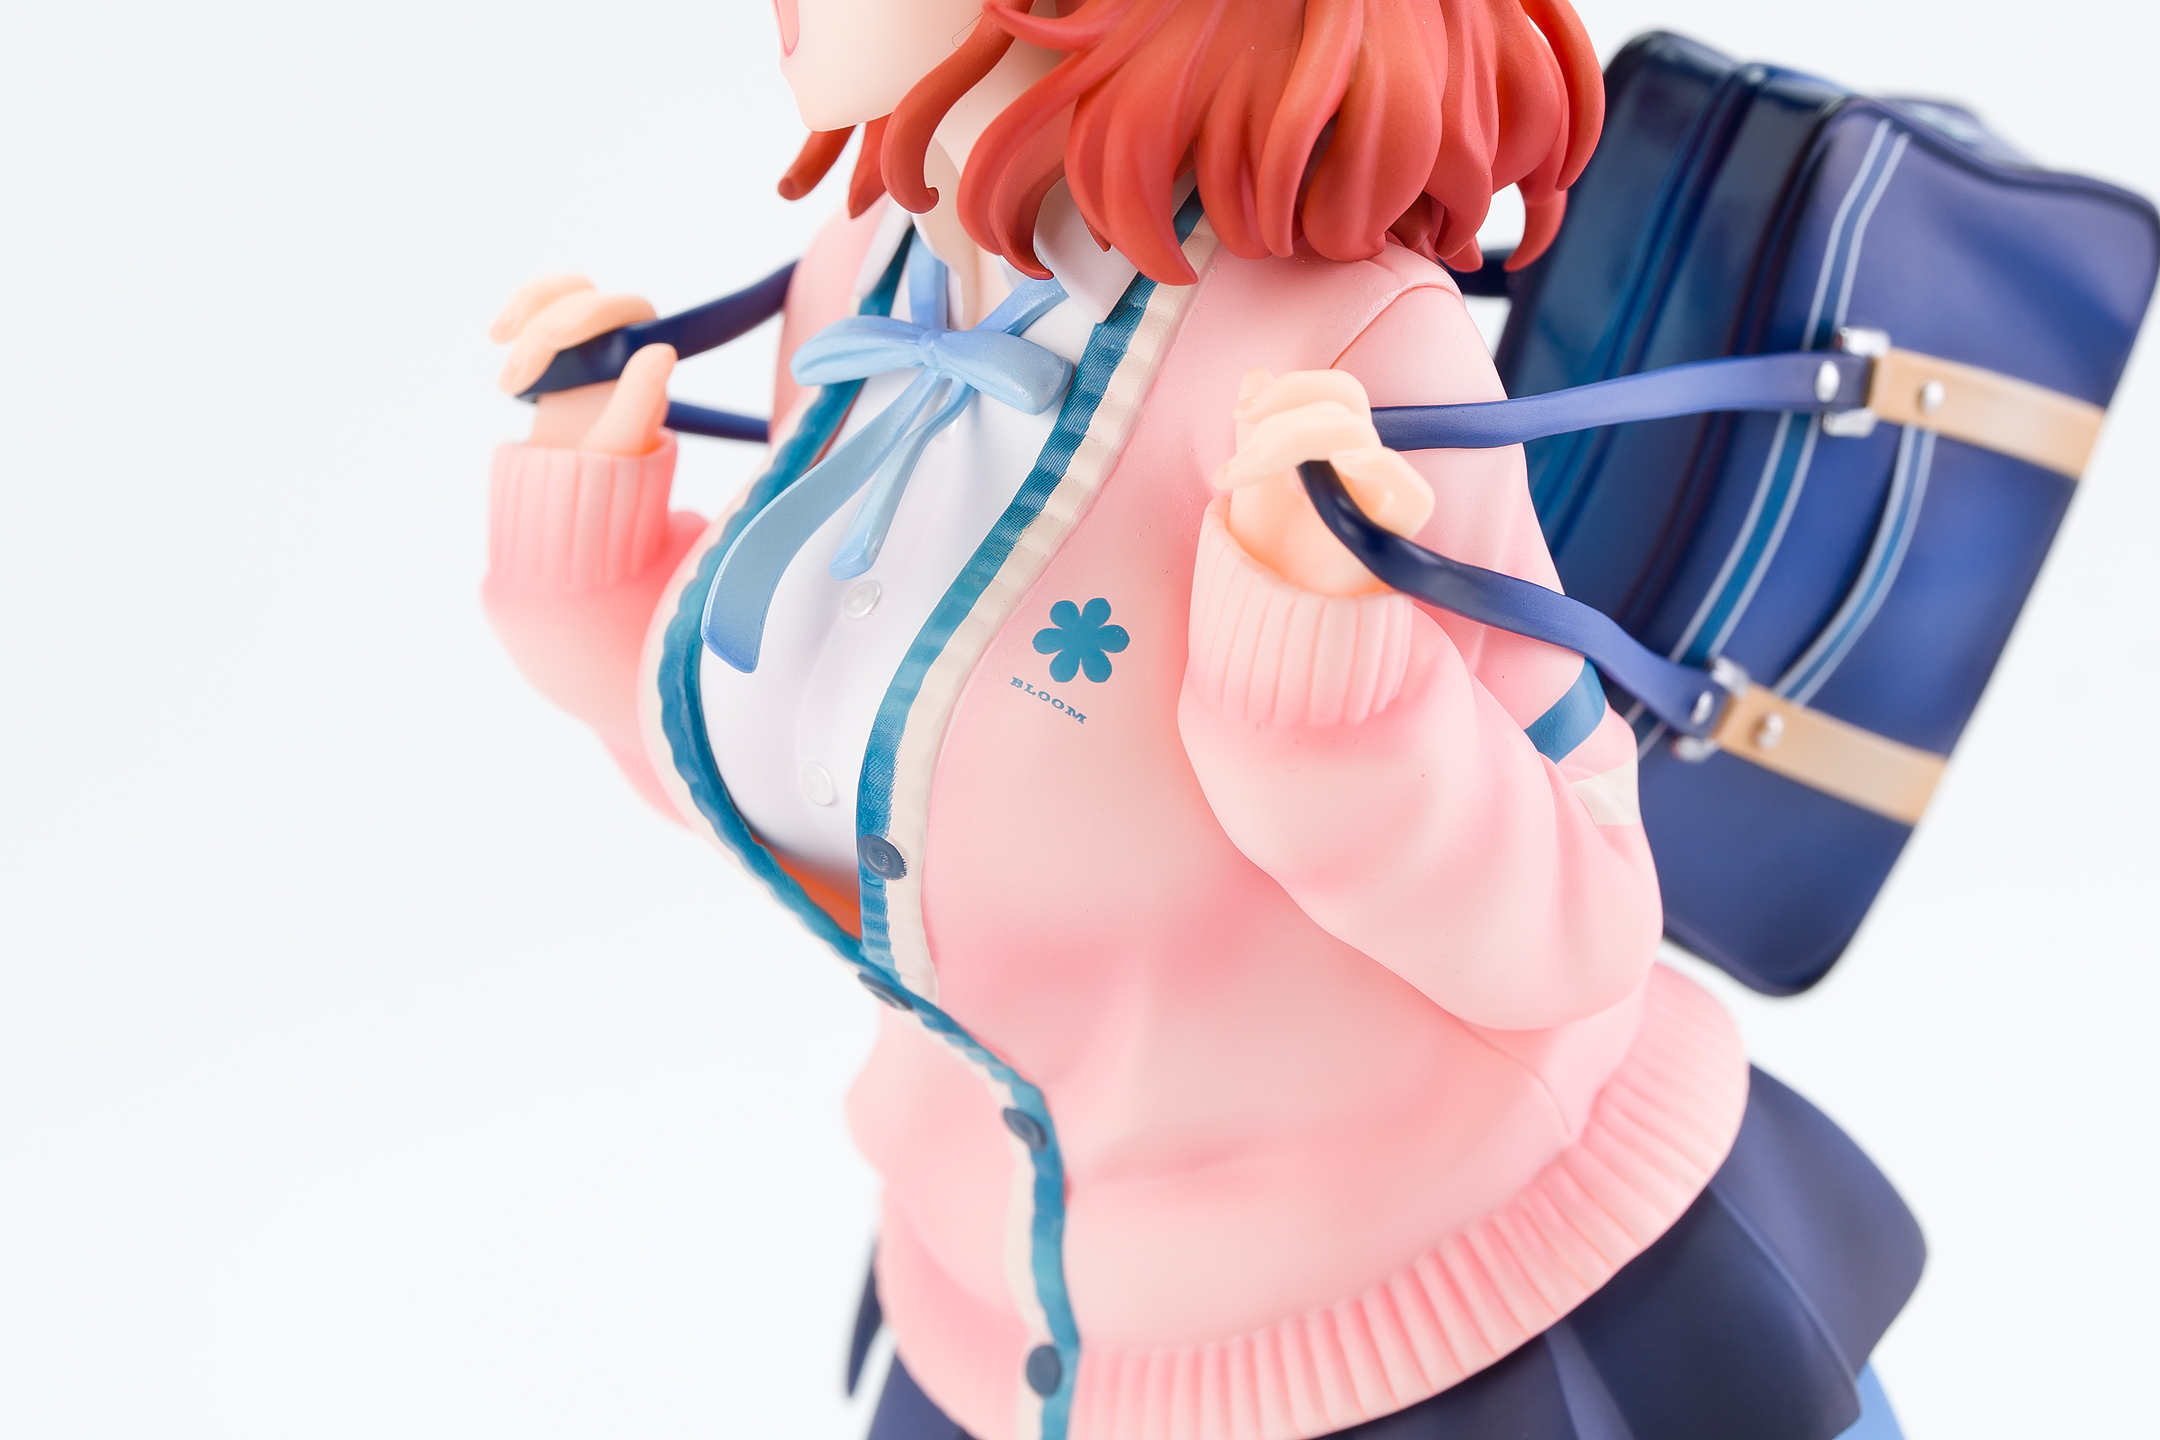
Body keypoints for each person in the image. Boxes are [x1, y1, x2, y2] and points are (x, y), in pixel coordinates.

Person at [481, 2, 1922, 1437]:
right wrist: (598, 585)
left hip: (1457, 1311)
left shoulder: (1341, 353)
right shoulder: (872, 272)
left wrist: (1328, 698)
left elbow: (1582, 920)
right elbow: (860, 801)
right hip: (1014, 1309)